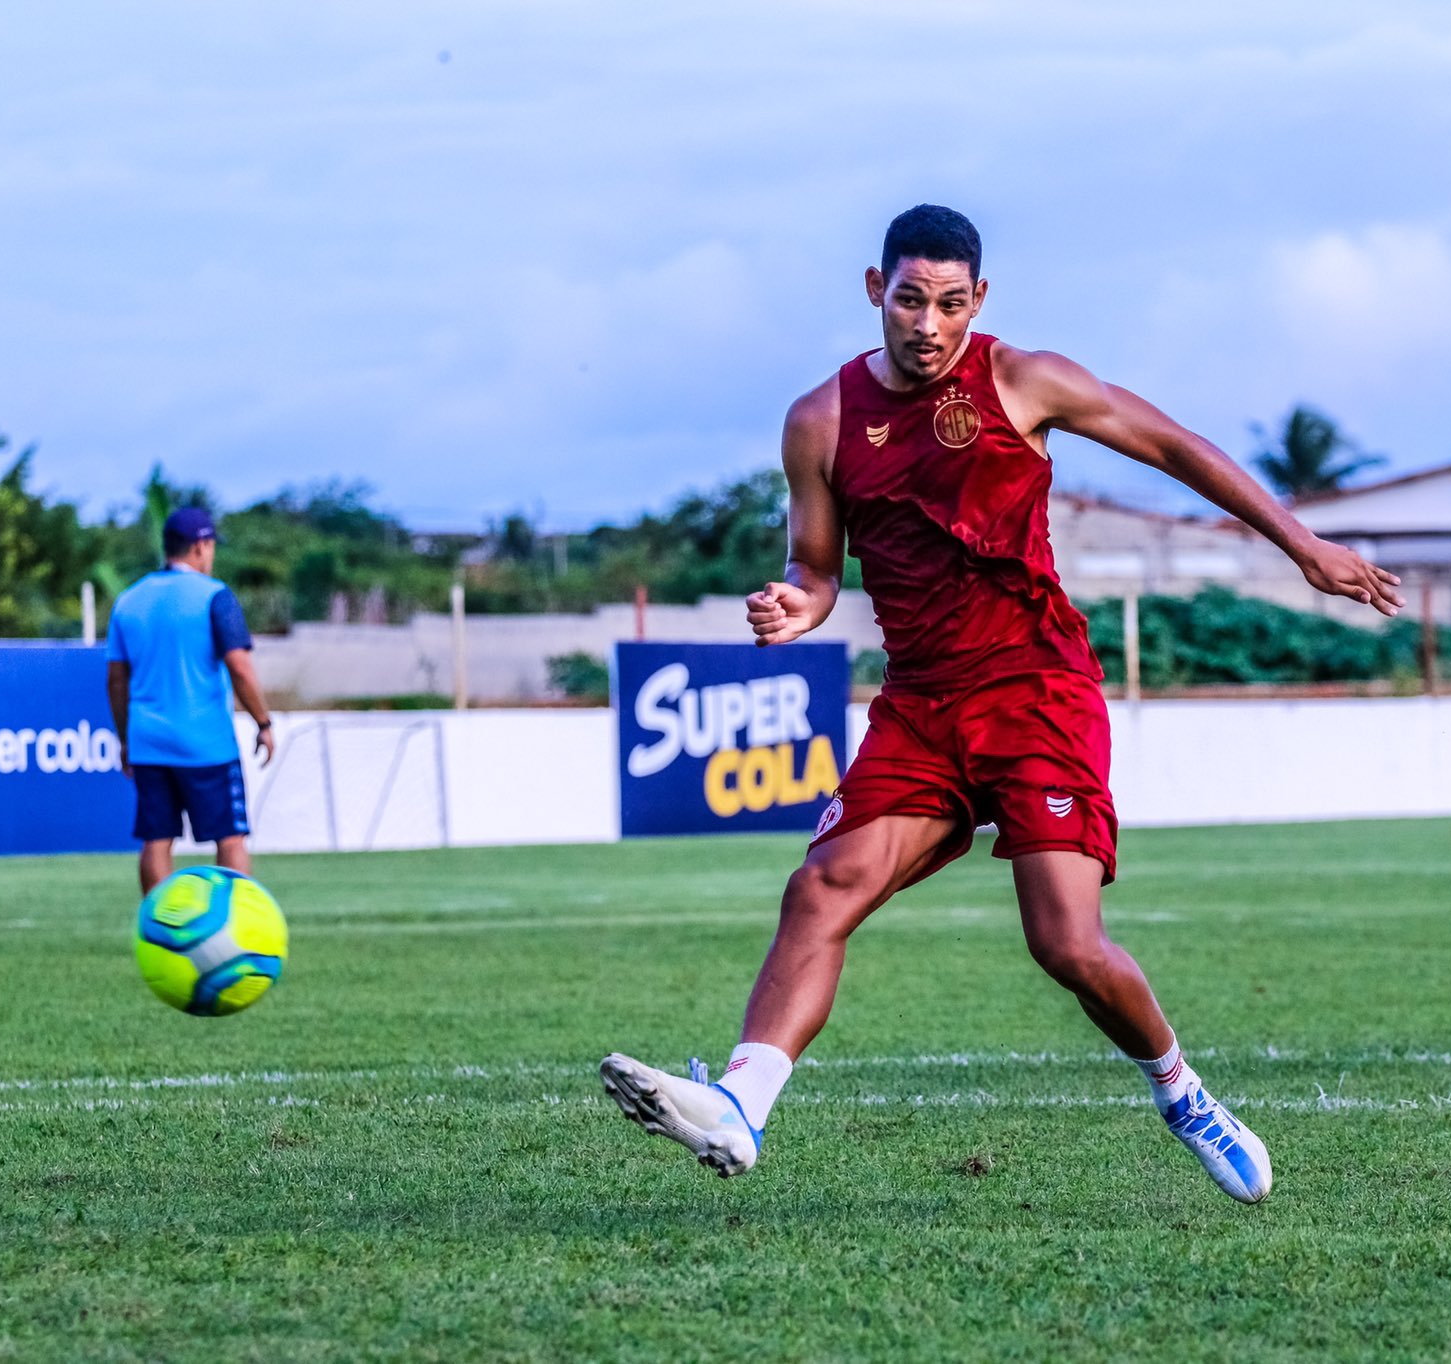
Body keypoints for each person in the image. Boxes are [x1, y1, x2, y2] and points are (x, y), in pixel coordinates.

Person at [599, 205, 1403, 1203]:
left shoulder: (1024, 380)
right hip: (920, 703)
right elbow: (813, 567)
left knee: (1063, 942)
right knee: (820, 886)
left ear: (975, 301)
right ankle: (740, 1103)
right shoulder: (820, 420)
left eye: (946, 303)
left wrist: (1301, 545)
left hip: (1035, 690)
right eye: (906, 298)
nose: (925, 322)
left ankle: (1181, 1090)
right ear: (872, 292)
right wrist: (792, 605)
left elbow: (1174, 446)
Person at [106, 506, 278, 894]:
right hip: (206, 743)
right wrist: (263, 723)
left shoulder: (129, 599)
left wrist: (125, 739)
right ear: (200, 547)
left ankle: (157, 931)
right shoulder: (215, 597)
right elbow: (240, 668)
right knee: (230, 838)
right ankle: (235, 927)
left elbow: (116, 680)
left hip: (149, 742)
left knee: (156, 839)